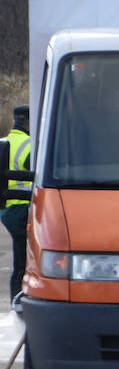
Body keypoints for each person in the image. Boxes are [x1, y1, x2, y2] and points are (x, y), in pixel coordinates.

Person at [3, 105, 33, 306]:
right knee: (25, 260)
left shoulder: (3, 142)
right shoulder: (28, 145)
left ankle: (16, 298)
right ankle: (20, 299)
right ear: (28, 122)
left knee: (19, 259)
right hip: (23, 207)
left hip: (7, 209)